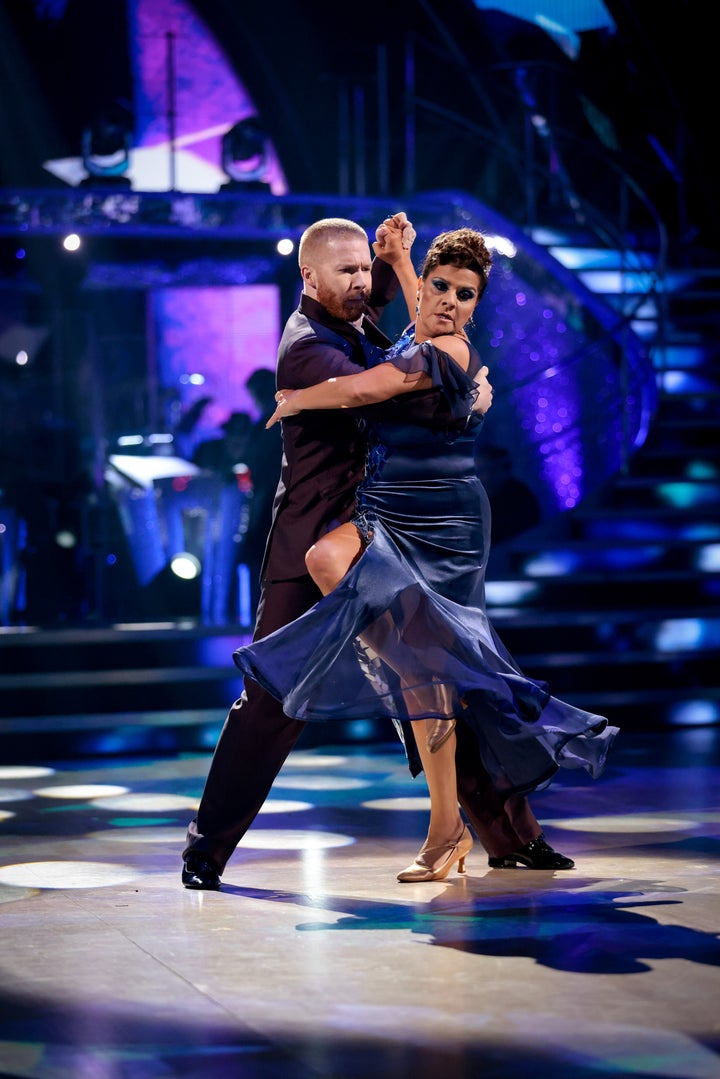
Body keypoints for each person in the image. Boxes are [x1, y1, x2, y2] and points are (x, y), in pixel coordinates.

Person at [182, 215, 576, 891]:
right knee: (271, 702)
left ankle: (510, 836)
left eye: (367, 269)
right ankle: (205, 848)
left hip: (382, 530)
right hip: (312, 543)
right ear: (309, 276)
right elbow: (387, 388)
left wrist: (407, 274)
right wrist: (463, 385)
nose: (362, 282)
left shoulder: (357, 317)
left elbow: (422, 331)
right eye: (348, 271)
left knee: (438, 671)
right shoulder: (306, 347)